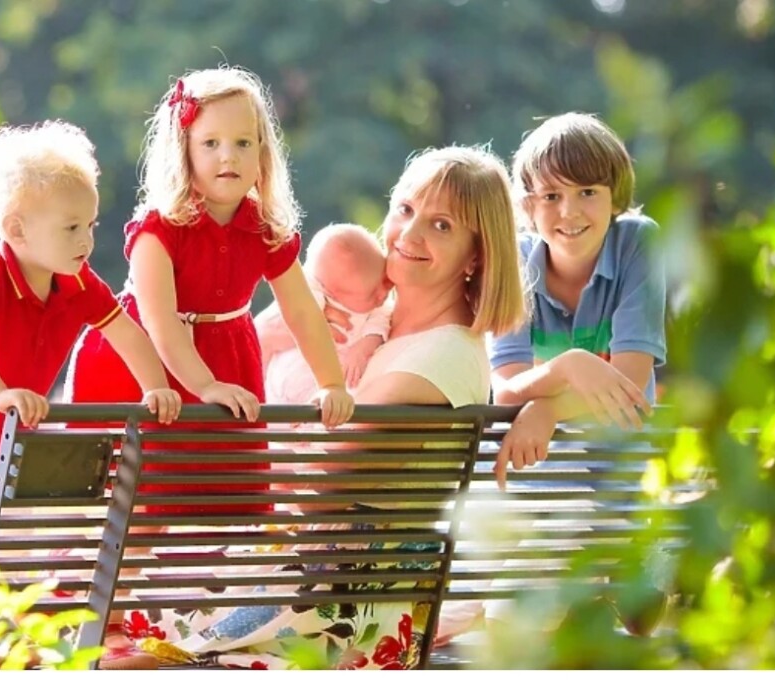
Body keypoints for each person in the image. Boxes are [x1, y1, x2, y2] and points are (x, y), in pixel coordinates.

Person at [132, 144, 531, 669]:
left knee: (118, 614)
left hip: (337, 609)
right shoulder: (376, 325)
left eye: (441, 226)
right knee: (116, 600)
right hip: (312, 583)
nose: (408, 235)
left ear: (477, 254)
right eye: (405, 210)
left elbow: (318, 482)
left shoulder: (441, 354)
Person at [0, 120, 181, 670]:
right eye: (72, 227)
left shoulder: (76, 282)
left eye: (91, 225)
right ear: (17, 229)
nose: (87, 241)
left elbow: (123, 330)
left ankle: (1, 629)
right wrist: (0, 391)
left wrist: (157, 387)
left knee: (15, 530)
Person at [65, 66, 354, 509]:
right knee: (139, 508)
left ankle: (188, 576)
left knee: (218, 501)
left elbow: (301, 311)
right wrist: (206, 384)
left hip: (227, 357)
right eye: (211, 143)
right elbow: (159, 323)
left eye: (243, 143)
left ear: (262, 152)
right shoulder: (157, 230)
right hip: (143, 366)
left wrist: (332, 382)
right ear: (184, 151)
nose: (229, 157)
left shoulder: (264, 228)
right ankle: (114, 577)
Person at [488, 112, 662, 484]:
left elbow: (628, 386)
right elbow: (504, 392)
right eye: (551, 195)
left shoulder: (637, 243)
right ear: (529, 207)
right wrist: (568, 367)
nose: (569, 211)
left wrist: (547, 409)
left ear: (615, 197)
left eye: (587, 192)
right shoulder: (513, 259)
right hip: (536, 468)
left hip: (619, 475)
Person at [257, 222, 392, 403]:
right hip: (280, 384)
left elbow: (380, 323)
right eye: (370, 295)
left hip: (328, 393)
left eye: (382, 285)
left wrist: (364, 347)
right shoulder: (313, 293)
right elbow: (290, 315)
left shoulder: (377, 308)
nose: (381, 296)